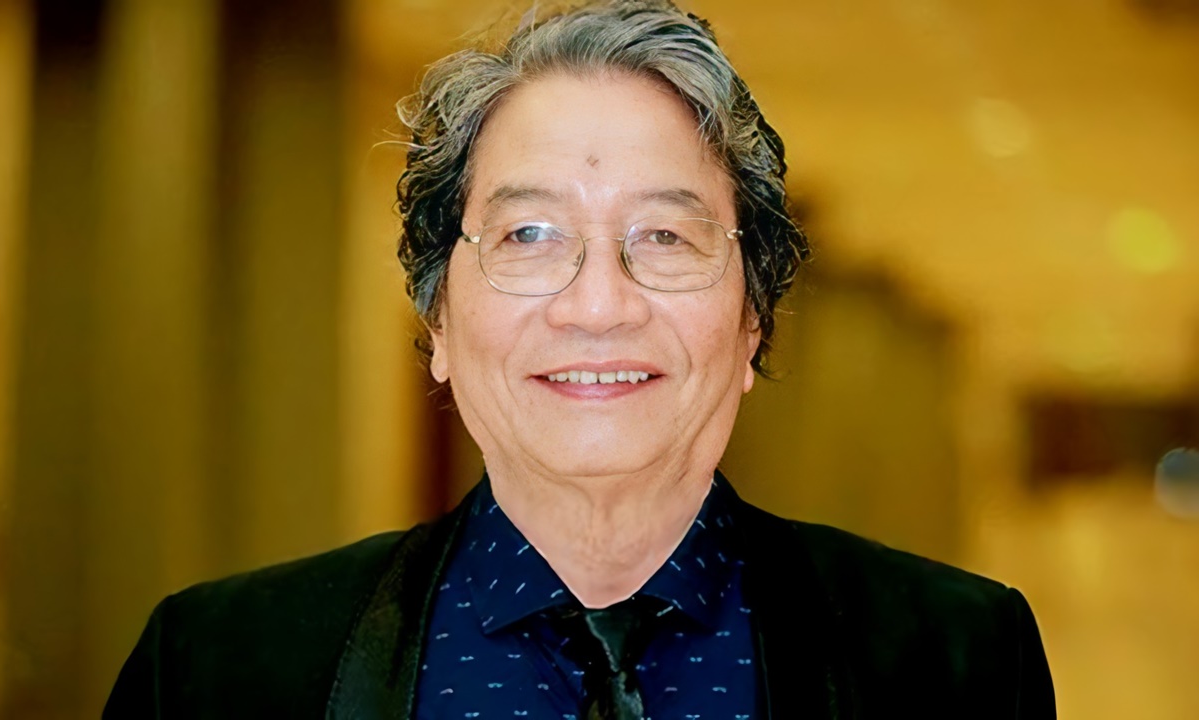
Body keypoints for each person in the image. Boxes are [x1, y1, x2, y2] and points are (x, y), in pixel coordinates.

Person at [105, 1, 1055, 717]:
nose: (599, 306)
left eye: (666, 237)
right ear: (439, 319)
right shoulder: (214, 668)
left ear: (752, 323)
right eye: (529, 235)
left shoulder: (959, 658)